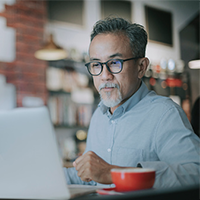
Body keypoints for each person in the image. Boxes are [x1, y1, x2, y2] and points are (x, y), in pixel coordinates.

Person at [64, 17, 200, 188]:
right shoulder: (99, 115)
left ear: (141, 67)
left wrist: (113, 173)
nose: (104, 75)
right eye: (96, 64)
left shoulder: (165, 113)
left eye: (114, 63)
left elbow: (195, 173)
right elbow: (90, 177)